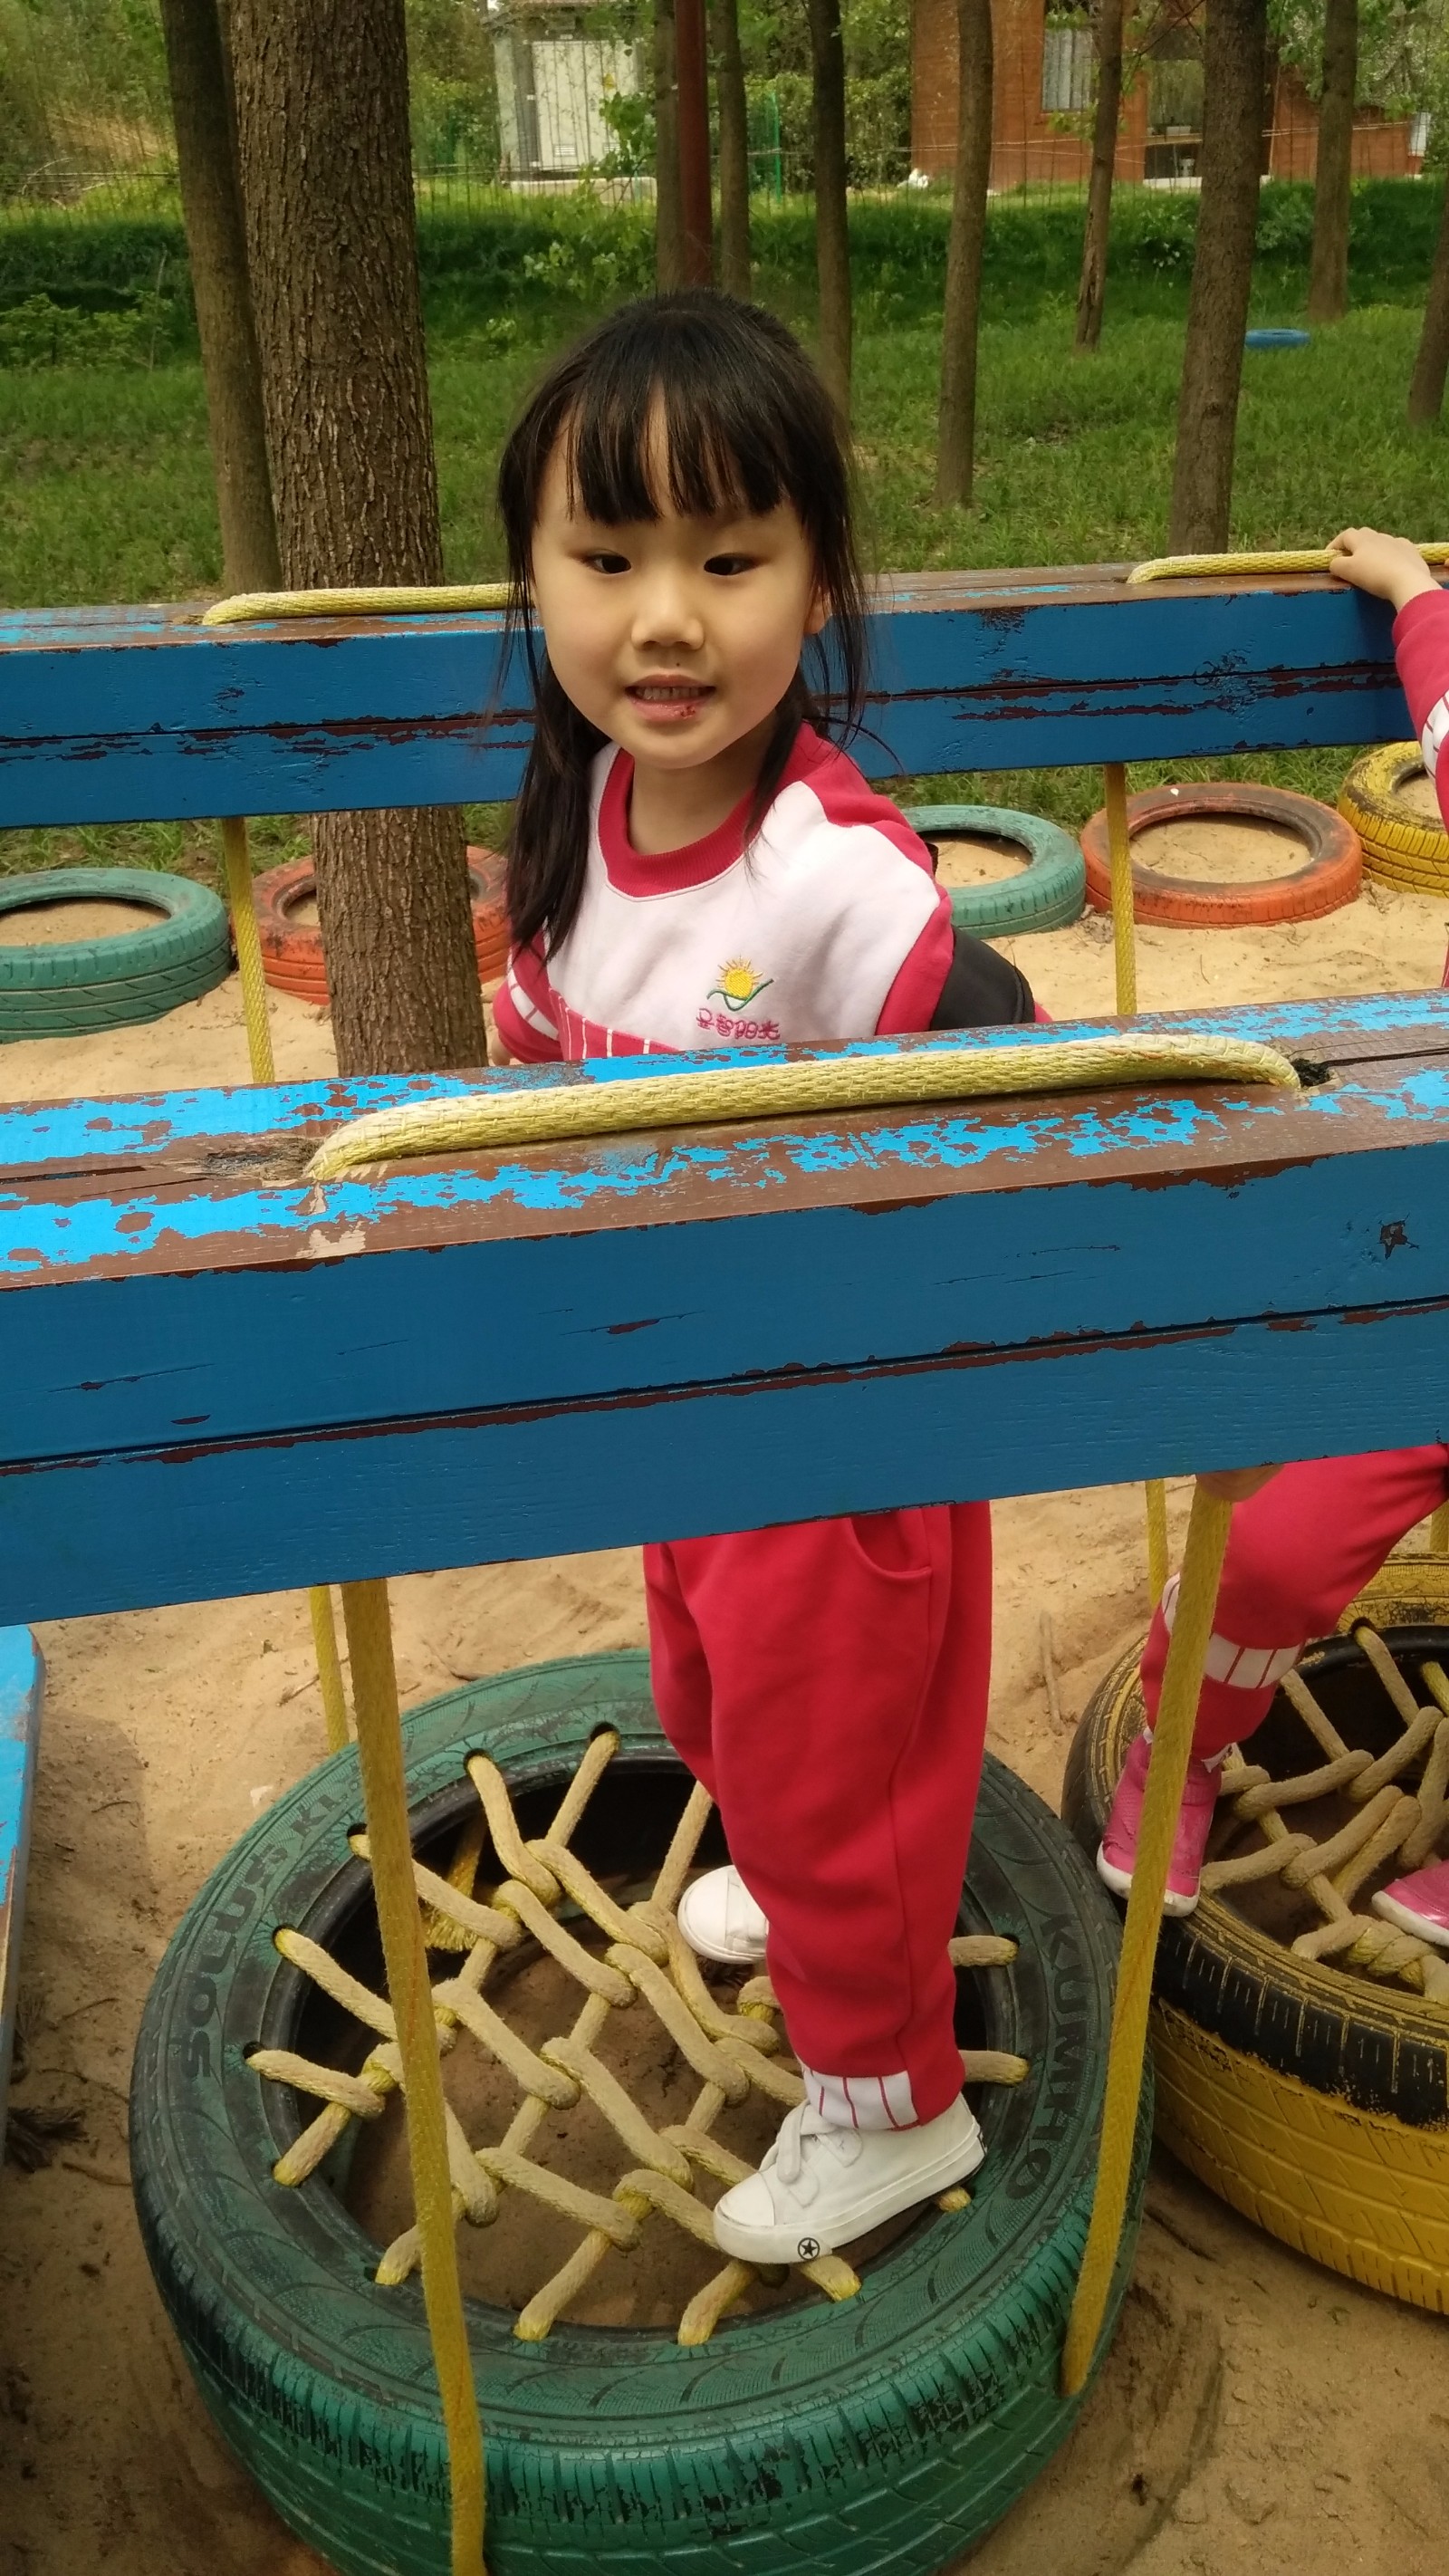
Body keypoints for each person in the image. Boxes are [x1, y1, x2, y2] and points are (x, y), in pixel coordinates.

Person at [490, 291, 1041, 2264]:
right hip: (690, 1416)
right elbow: (544, 1042)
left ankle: (888, 2107)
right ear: (534, 576)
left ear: (816, 585)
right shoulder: (584, 811)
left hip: (831, 1441)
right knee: (707, 1698)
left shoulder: (826, 873)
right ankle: (807, 1888)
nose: (664, 618)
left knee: (831, 1773)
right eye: (607, 558)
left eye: (727, 562)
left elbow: (1002, 1051)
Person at [1097, 524, 1449, 1946]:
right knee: (1272, 1555)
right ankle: (1177, 1753)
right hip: (1423, 1296)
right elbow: (1445, 700)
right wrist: (1414, 592)